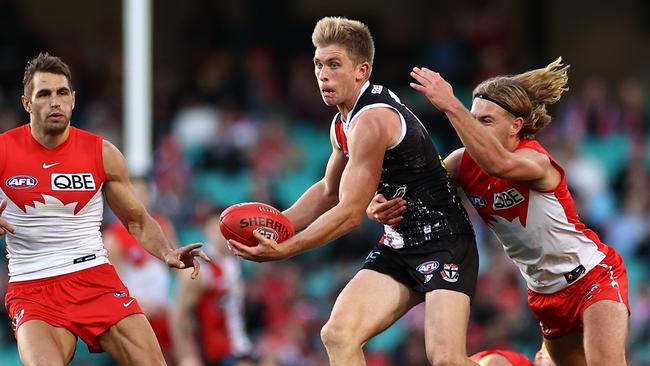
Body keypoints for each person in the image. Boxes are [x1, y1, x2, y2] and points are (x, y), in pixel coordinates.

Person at [229, 17, 479, 366]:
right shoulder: (342, 123)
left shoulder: (372, 121)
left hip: (445, 242)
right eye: (318, 64)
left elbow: (348, 215)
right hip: (400, 244)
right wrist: (278, 223)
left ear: (361, 70)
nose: (322, 74)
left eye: (333, 64)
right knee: (338, 334)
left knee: (447, 360)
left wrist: (287, 249)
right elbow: (329, 191)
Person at [368, 58, 630, 366]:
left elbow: (499, 164)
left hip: (591, 276)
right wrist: (379, 204)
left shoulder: (535, 160)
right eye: (473, 118)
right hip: (544, 295)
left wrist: (453, 106)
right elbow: (416, 191)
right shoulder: (461, 162)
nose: (476, 128)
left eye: (486, 121)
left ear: (516, 126)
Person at [0, 52, 209, 366]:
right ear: (27, 104)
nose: (54, 101)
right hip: (33, 288)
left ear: (73, 98)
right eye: (44, 94)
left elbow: (136, 220)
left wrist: (166, 252)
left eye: (62, 93)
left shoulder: (102, 153)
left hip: (94, 279)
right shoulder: (4, 150)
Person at [103, 177, 177, 360]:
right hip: (139, 312)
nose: (139, 199)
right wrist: (141, 306)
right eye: (134, 194)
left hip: (165, 310)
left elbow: (178, 269)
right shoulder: (113, 237)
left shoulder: (163, 226)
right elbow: (115, 286)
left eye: (143, 193)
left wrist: (173, 302)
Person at [170, 209, 253, 366]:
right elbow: (179, 314)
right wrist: (187, 356)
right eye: (218, 230)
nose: (223, 236)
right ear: (206, 231)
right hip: (216, 353)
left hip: (240, 346)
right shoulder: (201, 269)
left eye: (228, 229)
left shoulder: (237, 263)